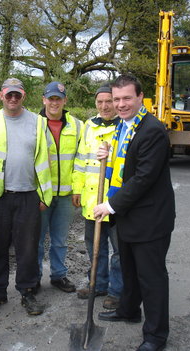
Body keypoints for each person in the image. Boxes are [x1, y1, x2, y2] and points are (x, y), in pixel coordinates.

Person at [94, 75, 175, 351]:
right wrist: (107, 157)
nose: (120, 104)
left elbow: (143, 178)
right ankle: (128, 310)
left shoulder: (152, 130)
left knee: (151, 279)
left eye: (127, 98)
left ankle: (155, 336)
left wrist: (110, 206)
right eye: (116, 99)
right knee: (128, 270)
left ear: (141, 97)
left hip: (150, 219)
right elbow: (124, 167)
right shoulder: (123, 127)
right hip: (128, 216)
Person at [0, 78, 52, 316]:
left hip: (28, 196)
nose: (12, 99)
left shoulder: (39, 122)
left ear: (24, 96)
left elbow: (45, 160)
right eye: (9, 95)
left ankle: (27, 293)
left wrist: (44, 195)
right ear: (1, 95)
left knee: (27, 249)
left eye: (17, 95)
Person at [72, 83, 123, 310]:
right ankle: (98, 284)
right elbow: (81, 160)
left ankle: (116, 291)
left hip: (115, 202)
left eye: (109, 101)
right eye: (100, 102)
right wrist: (77, 188)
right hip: (92, 199)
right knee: (95, 245)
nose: (105, 106)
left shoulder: (125, 126)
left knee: (119, 250)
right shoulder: (89, 126)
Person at [37, 81, 81, 293]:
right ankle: (34, 277)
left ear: (65, 101)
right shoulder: (33, 124)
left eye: (58, 99)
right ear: (44, 99)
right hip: (41, 195)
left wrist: (77, 189)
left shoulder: (77, 125)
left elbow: (80, 160)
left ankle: (59, 275)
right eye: (51, 98)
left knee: (60, 240)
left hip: (65, 195)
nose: (54, 103)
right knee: (36, 241)